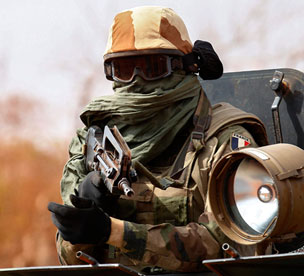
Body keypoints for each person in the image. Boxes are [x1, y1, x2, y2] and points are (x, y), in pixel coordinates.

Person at [47, 6, 268, 273]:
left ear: (186, 67)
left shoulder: (225, 141)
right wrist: (83, 220)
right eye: (125, 69)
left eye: (152, 68)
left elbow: (228, 246)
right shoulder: (94, 142)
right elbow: (71, 259)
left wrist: (114, 232)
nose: (137, 81)